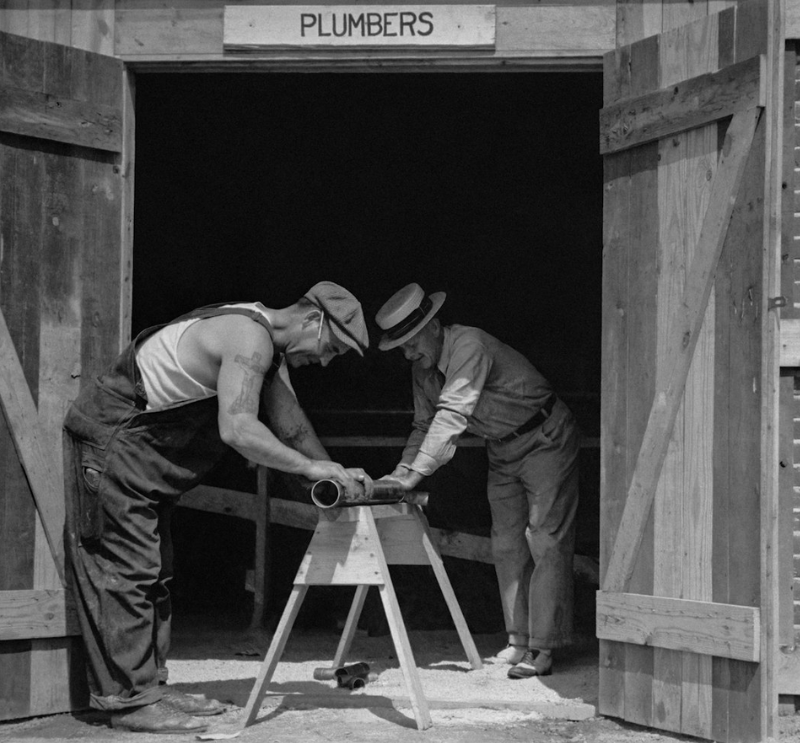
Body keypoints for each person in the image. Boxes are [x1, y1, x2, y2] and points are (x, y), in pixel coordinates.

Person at [63, 282, 373, 734]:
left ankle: (151, 689)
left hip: (139, 458)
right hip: (113, 444)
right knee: (127, 573)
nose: (325, 361)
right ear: (312, 319)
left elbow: (292, 429)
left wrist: (334, 476)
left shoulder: (267, 347)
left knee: (155, 573)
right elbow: (239, 428)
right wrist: (310, 468)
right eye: (331, 348)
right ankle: (130, 703)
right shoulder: (248, 336)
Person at [375, 283, 579, 679]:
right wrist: (400, 474)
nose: (408, 353)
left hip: (544, 438)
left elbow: (452, 414)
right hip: (501, 448)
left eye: (411, 342)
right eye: (401, 347)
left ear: (434, 327)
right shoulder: (422, 369)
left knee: (544, 537)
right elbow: (424, 425)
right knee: (506, 542)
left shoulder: (469, 345)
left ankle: (543, 647)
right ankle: (518, 640)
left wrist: (415, 475)